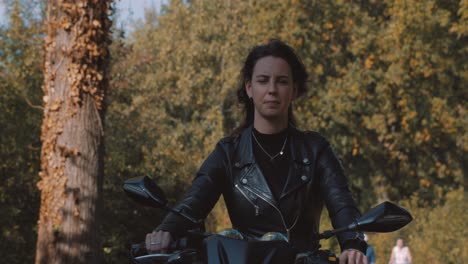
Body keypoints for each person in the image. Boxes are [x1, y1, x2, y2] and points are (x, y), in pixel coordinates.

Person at [145, 39, 368, 264]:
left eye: (281, 81)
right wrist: (166, 230)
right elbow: (194, 201)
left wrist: (352, 245)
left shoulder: (316, 149)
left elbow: (342, 203)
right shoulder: (228, 152)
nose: (272, 89)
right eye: (263, 81)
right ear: (249, 88)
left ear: (294, 90)